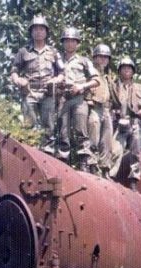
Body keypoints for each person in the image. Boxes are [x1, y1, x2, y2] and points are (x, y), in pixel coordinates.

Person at [10, 15, 61, 154]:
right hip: (29, 92)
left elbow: (62, 73)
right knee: (28, 126)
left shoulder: (53, 52)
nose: (38, 32)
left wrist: (55, 80)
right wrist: (18, 80)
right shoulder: (23, 51)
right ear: (31, 32)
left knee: (49, 127)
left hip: (47, 93)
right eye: (35, 29)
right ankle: (29, 154)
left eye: (41, 29)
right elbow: (14, 71)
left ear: (46, 32)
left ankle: (48, 155)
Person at [56, 27, 99, 171]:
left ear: (77, 43)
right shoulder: (57, 60)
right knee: (63, 131)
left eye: (72, 41)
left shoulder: (84, 60)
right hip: (62, 97)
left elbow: (96, 80)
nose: (69, 44)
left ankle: (84, 162)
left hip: (79, 98)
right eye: (67, 41)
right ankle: (63, 161)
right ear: (63, 43)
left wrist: (81, 86)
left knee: (81, 131)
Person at [111, 57, 141, 190]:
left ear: (133, 71)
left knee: (135, 153)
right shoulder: (115, 86)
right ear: (120, 71)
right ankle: (111, 175)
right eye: (124, 68)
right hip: (120, 122)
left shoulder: (139, 88)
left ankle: (134, 180)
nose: (126, 70)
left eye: (129, 68)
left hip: (135, 123)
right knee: (116, 150)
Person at [86, 44, 116, 176]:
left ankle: (105, 169)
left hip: (106, 109)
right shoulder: (90, 73)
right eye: (100, 57)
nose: (103, 60)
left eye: (106, 57)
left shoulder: (108, 77)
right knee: (93, 139)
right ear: (95, 58)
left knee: (107, 141)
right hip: (94, 107)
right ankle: (92, 166)